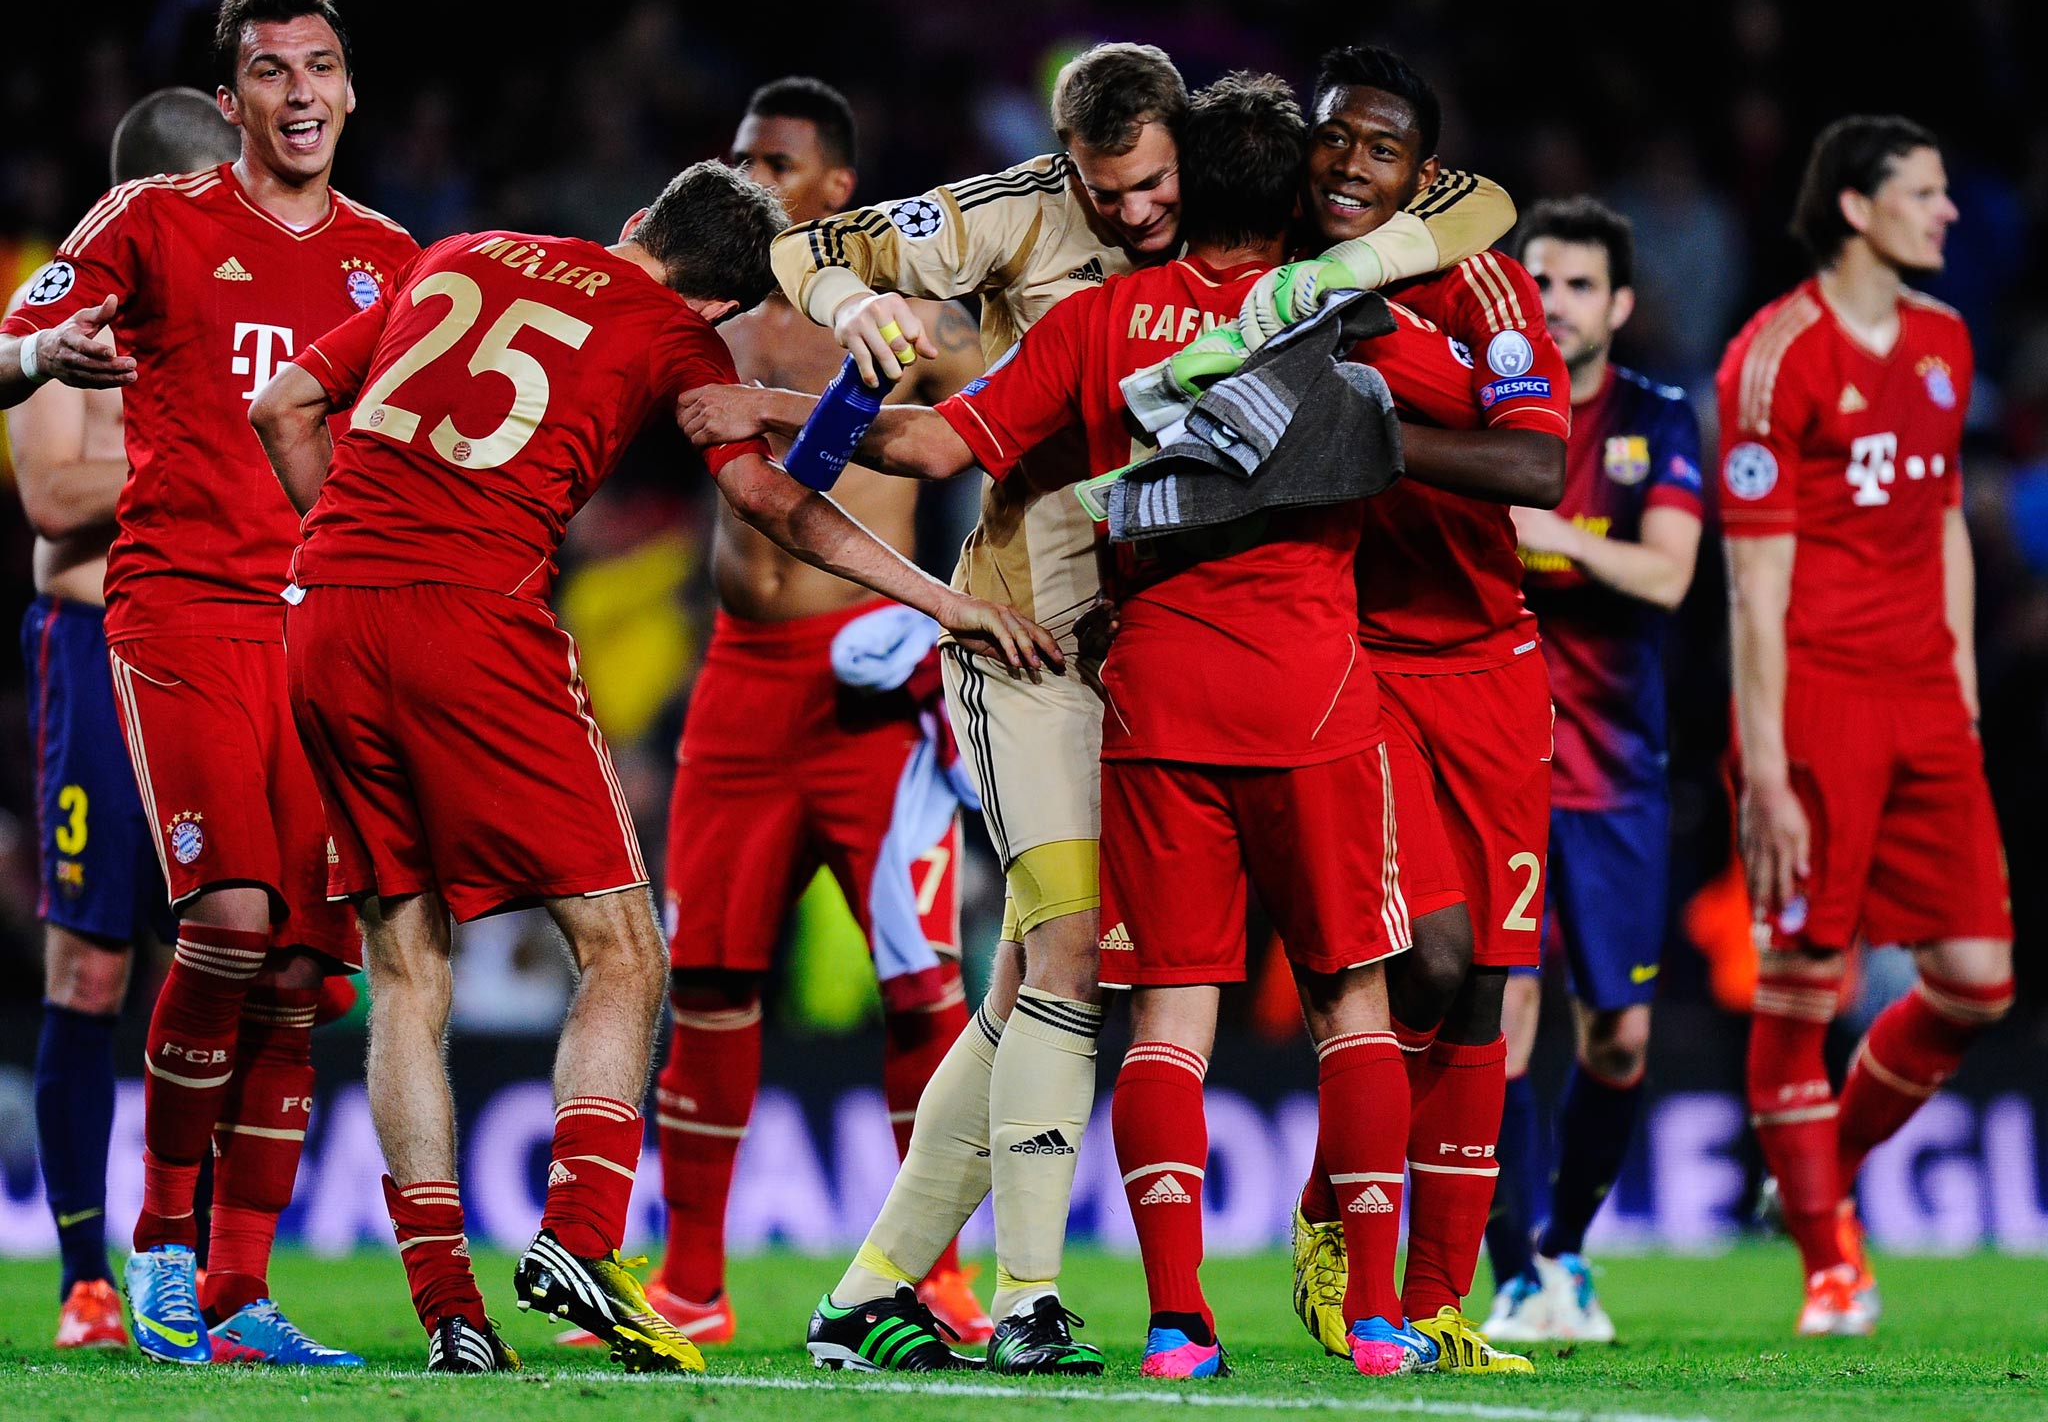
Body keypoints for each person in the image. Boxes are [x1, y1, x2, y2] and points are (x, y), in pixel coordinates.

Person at [683, 72, 1504, 1382]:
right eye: (1107, 188)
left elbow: (1465, 205)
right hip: (1032, 646)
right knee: (1075, 962)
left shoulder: (1163, 302)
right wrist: (840, 333)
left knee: (1029, 986)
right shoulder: (1054, 233)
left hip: (1143, 671)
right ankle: (1028, 1299)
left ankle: (874, 1288)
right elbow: (833, 276)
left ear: (1196, 167)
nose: (1129, 209)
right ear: (1071, 164)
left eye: (1155, 188)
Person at [248, 161, 1058, 1376]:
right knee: (624, 950)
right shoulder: (680, 339)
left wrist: (353, 555)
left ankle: (451, 1317)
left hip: (320, 613)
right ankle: (579, 1230)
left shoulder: (460, 247)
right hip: (470, 616)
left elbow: (285, 406)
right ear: (725, 306)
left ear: (637, 224)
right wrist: (942, 599)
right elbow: (777, 506)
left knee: (404, 965)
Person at [0, 0, 417, 1367]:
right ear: (232, 100)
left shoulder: (395, 262)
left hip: (326, 631)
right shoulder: (156, 220)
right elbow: (16, 346)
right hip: (180, 612)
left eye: (321, 69)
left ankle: (241, 1293)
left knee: (303, 974)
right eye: (271, 72)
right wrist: (33, 354)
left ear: (349, 90)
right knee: (229, 922)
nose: (300, 94)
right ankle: (160, 1250)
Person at [649, 77, 991, 1350]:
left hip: (872, 681)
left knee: (919, 989)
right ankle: (690, 1285)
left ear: (837, 187)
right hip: (738, 684)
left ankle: (933, 1273)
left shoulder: (924, 323)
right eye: (737, 153)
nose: (749, 173)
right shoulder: (707, 322)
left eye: (775, 160)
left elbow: (1001, 410)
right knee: (709, 983)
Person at [1265, 46, 1567, 1374]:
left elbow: (1541, 462)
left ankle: (1433, 1302)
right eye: (1332, 139)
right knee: (1426, 961)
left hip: (1494, 672)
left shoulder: (1482, 285)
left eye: (1379, 149)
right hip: (1354, 664)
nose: (1348, 163)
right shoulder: (1270, 284)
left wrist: (1374, 426)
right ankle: (1352, 1246)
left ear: (1421, 176)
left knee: (1492, 990)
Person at [1718, 115, 2011, 1337]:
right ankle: (1831, 1263)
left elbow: (1940, 522)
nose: (1947, 213)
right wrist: (1769, 769)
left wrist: (1963, 693)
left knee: (1976, 981)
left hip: (1923, 698)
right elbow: (1752, 586)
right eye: (1925, 192)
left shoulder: (1944, 341)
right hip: (1816, 699)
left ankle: (1811, 1173)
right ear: (1854, 205)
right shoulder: (1771, 357)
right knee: (1798, 988)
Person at [9, 87, 237, 1351]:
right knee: (92, 968)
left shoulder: (245, 311)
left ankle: (191, 1266)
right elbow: (49, 494)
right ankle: (85, 1279)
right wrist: (201, 459)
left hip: (221, 647)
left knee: (221, 956)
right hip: (96, 646)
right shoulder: (65, 300)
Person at [1480, 197, 1704, 1344]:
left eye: (1576, 286)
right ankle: (1515, 1274)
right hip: (1496, 760)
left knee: (1615, 1034)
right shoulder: (1477, 408)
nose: (1553, 304)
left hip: (1616, 773)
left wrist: (1556, 537)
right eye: (1538, 282)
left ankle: (1565, 1246)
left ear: (1617, 304)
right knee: (1501, 1011)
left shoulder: (1656, 420)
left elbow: (1667, 578)